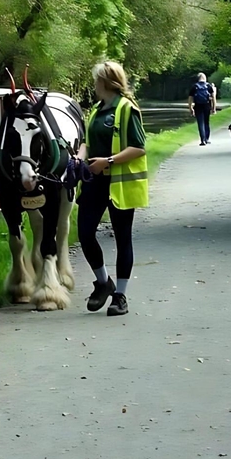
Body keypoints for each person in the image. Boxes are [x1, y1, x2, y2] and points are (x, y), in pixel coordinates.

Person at [74, 61, 148, 317]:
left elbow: (139, 147)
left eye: (96, 80)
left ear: (106, 82)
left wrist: (109, 161)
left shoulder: (128, 109)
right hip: (94, 182)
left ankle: (120, 297)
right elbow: (87, 142)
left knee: (122, 238)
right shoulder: (96, 110)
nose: (94, 85)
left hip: (119, 183)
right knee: (84, 233)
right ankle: (103, 282)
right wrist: (79, 156)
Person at [187, 72, 216, 146]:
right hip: (207, 106)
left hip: (198, 106)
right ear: (204, 78)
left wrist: (190, 108)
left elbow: (190, 98)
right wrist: (214, 108)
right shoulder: (208, 86)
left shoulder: (194, 87)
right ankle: (207, 138)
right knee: (206, 122)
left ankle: (203, 140)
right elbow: (213, 98)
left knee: (200, 123)